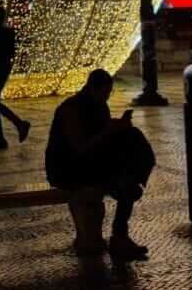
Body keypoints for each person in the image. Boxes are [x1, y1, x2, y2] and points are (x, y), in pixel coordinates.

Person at [45, 68, 156, 261]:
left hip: (90, 163)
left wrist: (118, 128)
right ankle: (119, 238)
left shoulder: (99, 106)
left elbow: (101, 141)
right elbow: (80, 147)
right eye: (105, 92)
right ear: (92, 89)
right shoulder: (70, 109)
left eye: (109, 93)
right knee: (124, 186)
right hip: (67, 168)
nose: (107, 97)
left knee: (129, 176)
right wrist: (109, 131)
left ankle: (120, 236)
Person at [0, 5, 30, 150]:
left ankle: (14, 128)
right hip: (0, 70)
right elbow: (10, 54)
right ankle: (4, 134)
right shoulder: (7, 33)